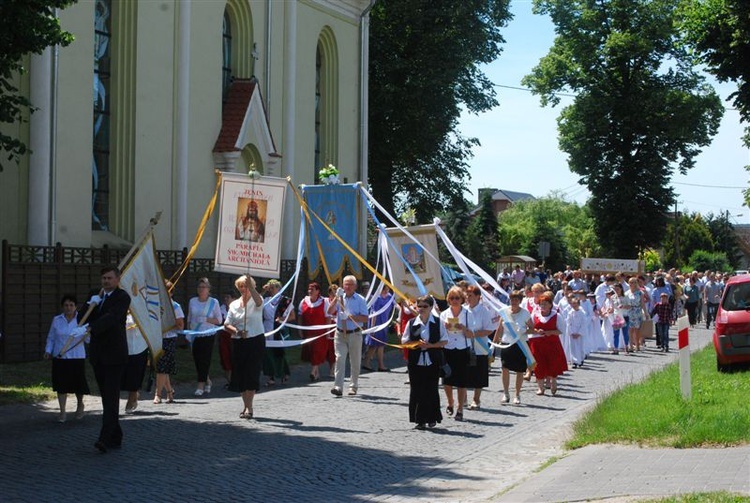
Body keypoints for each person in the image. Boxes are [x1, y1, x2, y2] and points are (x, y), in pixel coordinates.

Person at [81, 265, 131, 453]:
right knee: (106, 395)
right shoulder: (95, 295)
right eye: (104, 278)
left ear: (117, 280)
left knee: (111, 395)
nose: (106, 281)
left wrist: (91, 327)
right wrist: (89, 305)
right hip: (98, 354)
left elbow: (112, 318)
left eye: (109, 278)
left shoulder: (122, 297)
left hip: (115, 354)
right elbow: (82, 317)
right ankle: (116, 435)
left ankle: (104, 437)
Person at [402, 295, 447, 430]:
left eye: (424, 306)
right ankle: (419, 419)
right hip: (415, 361)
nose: (421, 309)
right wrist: (416, 343)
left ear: (431, 307)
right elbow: (404, 342)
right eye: (419, 306)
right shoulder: (411, 323)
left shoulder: (438, 322)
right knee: (416, 389)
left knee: (431, 388)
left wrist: (430, 346)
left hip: (432, 359)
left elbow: (444, 341)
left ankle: (432, 417)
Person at [224, 275, 265, 419]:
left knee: (251, 373)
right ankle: (245, 405)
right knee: (240, 374)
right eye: (241, 286)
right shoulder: (234, 304)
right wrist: (237, 331)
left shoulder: (257, 300)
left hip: (255, 341)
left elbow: (259, 301)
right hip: (239, 341)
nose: (243, 289)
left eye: (246, 286)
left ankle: (250, 407)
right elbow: (226, 324)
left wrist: (252, 288)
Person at [44, 294, 89, 422]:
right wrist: (48, 351)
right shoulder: (57, 320)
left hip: (76, 357)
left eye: (71, 305)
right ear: (62, 307)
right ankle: (62, 411)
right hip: (60, 356)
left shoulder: (81, 320)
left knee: (78, 385)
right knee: (61, 385)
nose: (69, 308)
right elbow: (51, 337)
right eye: (66, 305)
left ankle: (80, 405)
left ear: (75, 307)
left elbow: (89, 340)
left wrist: (86, 332)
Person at [327, 275, 369, 397]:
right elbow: (329, 311)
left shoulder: (360, 299)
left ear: (355, 286)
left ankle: (353, 386)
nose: (348, 287)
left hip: (355, 333)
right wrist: (335, 298)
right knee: (339, 359)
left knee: (355, 360)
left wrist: (350, 316)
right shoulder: (340, 297)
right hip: (340, 333)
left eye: (350, 284)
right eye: (346, 284)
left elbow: (365, 318)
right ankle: (338, 386)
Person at [493, 290, 533, 405]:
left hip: (520, 343)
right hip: (506, 343)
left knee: (520, 370)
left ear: (520, 301)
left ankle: (517, 394)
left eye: (516, 300)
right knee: (505, 368)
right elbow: (499, 329)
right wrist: (494, 345)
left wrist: (524, 330)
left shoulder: (525, 313)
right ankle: (506, 393)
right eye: (512, 299)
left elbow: (532, 328)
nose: (514, 302)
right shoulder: (504, 312)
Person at [187, 277, 223, 396]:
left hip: (208, 334)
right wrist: (188, 332)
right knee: (197, 360)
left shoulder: (214, 302)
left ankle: (200, 385)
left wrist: (206, 319)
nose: (201, 289)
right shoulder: (192, 301)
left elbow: (219, 320)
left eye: (204, 287)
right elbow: (189, 317)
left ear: (209, 289)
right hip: (195, 334)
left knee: (205, 359)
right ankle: (207, 380)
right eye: (200, 287)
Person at [528, 291, 568, 396]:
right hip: (537, 344)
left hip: (552, 343)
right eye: (541, 304)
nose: (543, 306)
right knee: (538, 365)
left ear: (551, 305)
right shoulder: (534, 315)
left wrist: (549, 332)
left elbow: (561, 330)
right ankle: (540, 388)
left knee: (552, 363)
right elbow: (530, 328)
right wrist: (537, 331)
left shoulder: (557, 316)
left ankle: (553, 381)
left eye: (546, 304)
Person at [463, 285, 496, 410]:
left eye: (470, 295)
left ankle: (476, 399)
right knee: (464, 373)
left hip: (479, 346)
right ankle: (464, 397)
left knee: (478, 374)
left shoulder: (484, 311)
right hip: (465, 345)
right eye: (467, 295)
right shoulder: (464, 310)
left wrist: (474, 334)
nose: (468, 297)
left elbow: (489, 329)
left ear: (478, 297)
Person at [441, 286, 471, 421]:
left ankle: (460, 408)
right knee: (447, 379)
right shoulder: (444, 314)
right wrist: (445, 328)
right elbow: (440, 335)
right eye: (452, 298)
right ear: (448, 300)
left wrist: (463, 328)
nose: (454, 301)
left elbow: (472, 334)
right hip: (448, 348)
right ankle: (450, 402)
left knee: (461, 380)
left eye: (457, 298)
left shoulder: (467, 314)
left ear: (462, 299)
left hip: (462, 348)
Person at [154, 282, 184, 404]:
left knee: (161, 368)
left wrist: (167, 326)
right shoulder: (155, 305)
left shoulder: (175, 306)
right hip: (156, 338)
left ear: (171, 293)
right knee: (162, 368)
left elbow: (180, 325)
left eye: (167, 291)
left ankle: (158, 394)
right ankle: (170, 392)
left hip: (168, 338)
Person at [298, 282, 333, 382]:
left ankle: (313, 371)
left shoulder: (325, 301)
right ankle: (316, 373)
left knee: (317, 351)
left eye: (312, 289)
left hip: (320, 332)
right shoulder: (304, 301)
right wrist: (300, 329)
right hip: (308, 331)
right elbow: (300, 316)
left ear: (318, 291)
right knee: (311, 352)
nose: (310, 291)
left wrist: (328, 331)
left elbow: (328, 317)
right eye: (309, 289)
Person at [261, 279, 293, 386]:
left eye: (273, 287)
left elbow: (292, 316)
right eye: (270, 287)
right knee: (267, 353)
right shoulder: (265, 300)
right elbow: (255, 302)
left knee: (279, 353)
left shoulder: (285, 301)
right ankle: (271, 376)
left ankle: (284, 373)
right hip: (267, 328)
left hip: (279, 329)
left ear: (279, 288)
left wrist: (282, 319)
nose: (271, 289)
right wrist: (263, 291)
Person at [363, 285, 395, 372]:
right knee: (376, 345)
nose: (386, 291)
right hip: (377, 323)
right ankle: (380, 365)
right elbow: (374, 314)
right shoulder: (377, 299)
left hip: (384, 323)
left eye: (387, 289)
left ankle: (367, 362)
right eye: (384, 290)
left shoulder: (389, 297)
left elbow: (395, 305)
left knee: (377, 345)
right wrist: (373, 328)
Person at [122, 314, 149, 414]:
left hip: (140, 346)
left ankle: (131, 397)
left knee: (136, 374)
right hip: (125, 346)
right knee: (126, 374)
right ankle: (134, 394)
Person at [625, 277, 648, 352]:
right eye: (630, 282)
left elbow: (643, 303)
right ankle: (631, 346)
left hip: (637, 312)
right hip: (629, 312)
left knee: (637, 330)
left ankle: (637, 345)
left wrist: (646, 313)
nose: (632, 284)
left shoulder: (640, 292)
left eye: (634, 282)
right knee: (630, 330)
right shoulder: (627, 293)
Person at [217, 293, 236, 387]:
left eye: (228, 297)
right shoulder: (222, 309)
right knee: (225, 357)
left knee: (235, 357)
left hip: (235, 336)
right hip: (224, 336)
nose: (225, 299)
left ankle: (236, 380)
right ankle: (229, 381)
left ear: (234, 298)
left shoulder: (238, 309)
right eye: (225, 297)